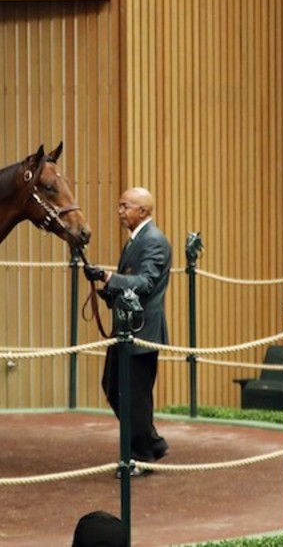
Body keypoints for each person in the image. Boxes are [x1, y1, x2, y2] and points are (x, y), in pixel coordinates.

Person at [84, 186, 172, 474]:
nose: (120, 211)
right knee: (113, 387)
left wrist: (109, 277)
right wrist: (107, 288)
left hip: (142, 331)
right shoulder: (136, 241)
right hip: (126, 327)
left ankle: (142, 456)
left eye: (126, 206)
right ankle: (151, 442)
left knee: (134, 395)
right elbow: (133, 282)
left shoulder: (153, 241)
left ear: (143, 211)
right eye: (120, 206)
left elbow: (146, 283)